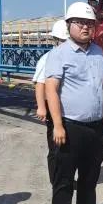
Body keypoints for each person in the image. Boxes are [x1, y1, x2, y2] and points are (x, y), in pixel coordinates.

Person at [44, 2, 103, 204]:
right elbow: (51, 90)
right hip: (69, 128)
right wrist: (58, 125)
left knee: (89, 178)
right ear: (68, 25)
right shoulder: (59, 54)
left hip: (95, 127)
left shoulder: (99, 52)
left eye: (90, 24)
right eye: (80, 23)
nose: (85, 27)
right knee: (63, 181)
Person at [33, 19, 69, 194]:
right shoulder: (47, 58)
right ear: (56, 40)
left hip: (68, 108)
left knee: (67, 147)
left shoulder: (71, 57)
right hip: (52, 106)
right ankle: (55, 180)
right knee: (55, 148)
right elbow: (40, 84)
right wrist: (41, 107)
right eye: (63, 41)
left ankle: (66, 177)